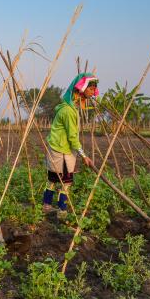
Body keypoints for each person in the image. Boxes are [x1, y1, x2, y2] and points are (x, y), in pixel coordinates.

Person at [42, 73, 98, 217]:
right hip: (62, 150)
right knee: (65, 181)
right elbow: (72, 137)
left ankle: (46, 205)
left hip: (57, 148)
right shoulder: (68, 111)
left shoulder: (68, 108)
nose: (93, 92)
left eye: (94, 89)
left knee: (53, 179)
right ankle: (62, 211)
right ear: (81, 89)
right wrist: (84, 156)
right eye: (91, 88)